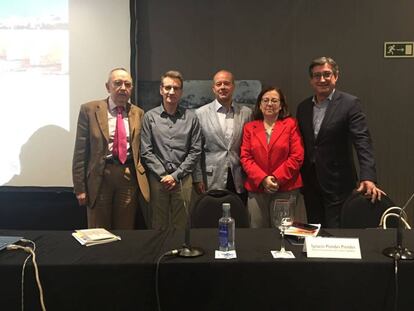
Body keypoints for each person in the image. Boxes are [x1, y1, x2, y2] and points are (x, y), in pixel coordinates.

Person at [296, 56, 385, 228]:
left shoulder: (350, 104)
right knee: (314, 231)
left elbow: (362, 140)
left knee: (337, 233)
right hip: (311, 184)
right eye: (317, 75)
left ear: (336, 77)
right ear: (311, 80)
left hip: (338, 183)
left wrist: (368, 176)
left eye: (327, 74)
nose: (322, 79)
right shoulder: (303, 107)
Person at [72, 67, 150, 229]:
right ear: (108, 87)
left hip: (128, 176)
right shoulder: (90, 110)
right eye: (118, 83)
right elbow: (80, 152)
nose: (123, 88)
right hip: (100, 177)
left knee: (125, 229)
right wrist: (80, 189)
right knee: (98, 230)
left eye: (127, 84)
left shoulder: (138, 113)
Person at [141, 70, 202, 230]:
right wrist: (164, 176)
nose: (171, 92)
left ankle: (180, 253)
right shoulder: (149, 117)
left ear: (181, 91)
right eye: (168, 87)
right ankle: (158, 254)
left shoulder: (191, 118)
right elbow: (146, 151)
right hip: (157, 179)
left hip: (183, 179)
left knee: (182, 224)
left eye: (176, 88)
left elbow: (195, 151)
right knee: (158, 224)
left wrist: (175, 176)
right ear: (161, 89)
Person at [240, 86, 304, 228]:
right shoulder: (250, 127)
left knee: (283, 233)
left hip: (285, 188)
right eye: (266, 100)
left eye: (274, 100)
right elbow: (245, 157)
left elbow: (297, 156)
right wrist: (263, 179)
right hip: (257, 189)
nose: (269, 104)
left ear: (281, 105)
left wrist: (276, 178)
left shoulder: (291, 125)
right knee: (257, 233)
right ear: (260, 105)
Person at [193, 70, 252, 203]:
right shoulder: (200, 114)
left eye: (227, 83)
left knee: (238, 219)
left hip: (238, 177)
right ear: (213, 88)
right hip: (211, 179)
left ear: (233, 86)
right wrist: (197, 178)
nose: (223, 87)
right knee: (212, 218)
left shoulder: (246, 113)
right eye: (219, 84)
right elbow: (196, 150)